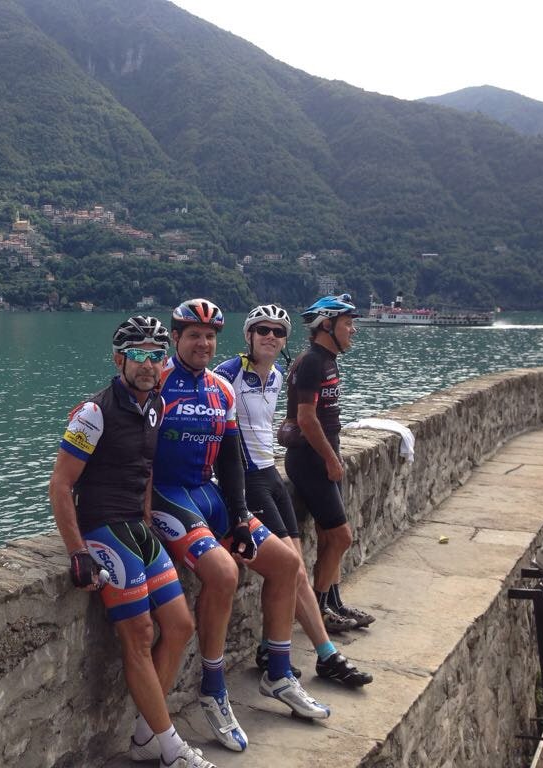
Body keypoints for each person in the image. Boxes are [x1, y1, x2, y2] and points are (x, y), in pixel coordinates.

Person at [150, 298, 330, 755]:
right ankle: (213, 688)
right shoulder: (156, 384)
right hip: (166, 497)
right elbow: (135, 453)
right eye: (193, 335)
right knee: (225, 574)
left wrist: (239, 516)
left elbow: (230, 458)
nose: (203, 343)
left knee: (287, 563)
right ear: (176, 339)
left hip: (208, 494)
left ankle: (278, 673)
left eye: (210, 336)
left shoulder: (220, 389)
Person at [48, 316, 216, 768]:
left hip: (137, 530)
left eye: (157, 355)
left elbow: (145, 470)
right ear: (119, 358)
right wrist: (77, 551)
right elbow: (61, 485)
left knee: (180, 626)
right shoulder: (93, 413)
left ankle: (146, 735)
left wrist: (146, 517)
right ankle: (171, 747)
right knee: (140, 635)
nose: (149, 363)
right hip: (102, 529)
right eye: (139, 354)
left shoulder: (155, 405)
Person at [215, 304, 372, 687]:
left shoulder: (278, 376)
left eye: (279, 332)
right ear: (248, 335)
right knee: (294, 569)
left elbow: (285, 421)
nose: (271, 336)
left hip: (272, 474)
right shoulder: (226, 375)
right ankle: (326, 656)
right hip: (247, 481)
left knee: (294, 568)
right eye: (263, 329)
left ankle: (271, 649)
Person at [278, 294, 376, 635]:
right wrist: (331, 460)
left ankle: (333, 601)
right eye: (347, 324)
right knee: (342, 537)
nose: (353, 330)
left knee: (327, 535)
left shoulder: (328, 361)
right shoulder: (312, 363)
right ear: (326, 326)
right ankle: (319, 611)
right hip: (310, 461)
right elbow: (306, 419)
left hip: (320, 458)